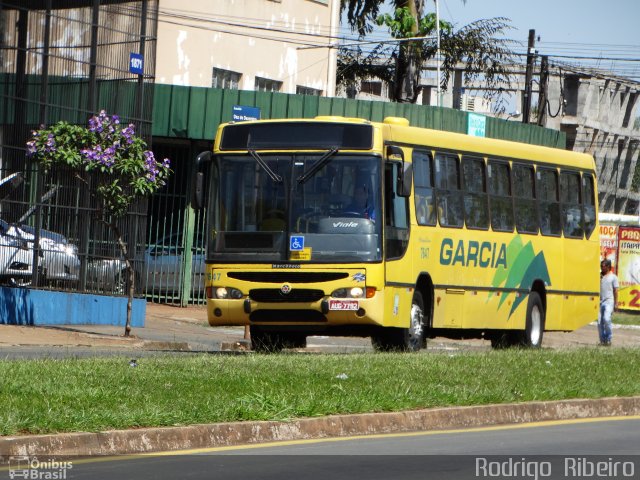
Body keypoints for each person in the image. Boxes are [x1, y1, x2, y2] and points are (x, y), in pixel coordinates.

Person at [598, 259, 618, 346]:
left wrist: (616, 303)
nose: (601, 268)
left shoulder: (613, 277)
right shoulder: (600, 276)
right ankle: (603, 341)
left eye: (603, 266)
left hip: (609, 301)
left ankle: (609, 338)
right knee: (599, 323)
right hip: (600, 302)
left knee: (606, 319)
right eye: (601, 266)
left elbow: (616, 290)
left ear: (608, 267)